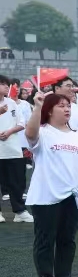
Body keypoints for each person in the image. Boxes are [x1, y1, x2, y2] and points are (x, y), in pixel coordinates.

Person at [25, 91, 78, 277]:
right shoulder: (43, 132)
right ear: (49, 110)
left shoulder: (76, 135)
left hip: (73, 196)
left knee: (67, 240)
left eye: (68, 106)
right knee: (45, 239)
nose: (67, 109)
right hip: (46, 196)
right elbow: (30, 134)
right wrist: (37, 107)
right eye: (61, 106)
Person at [0, 75, 34, 223]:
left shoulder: (12, 103)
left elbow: (21, 123)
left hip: (13, 148)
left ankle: (20, 211)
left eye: (7, 84)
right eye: (2, 84)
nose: (6, 87)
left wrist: (9, 132)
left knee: (16, 181)